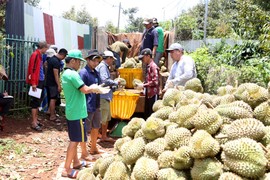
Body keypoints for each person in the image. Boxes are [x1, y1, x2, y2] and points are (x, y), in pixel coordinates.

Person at [61, 49, 101, 178]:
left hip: (74, 111)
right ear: (73, 61)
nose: (80, 64)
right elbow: (84, 89)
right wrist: (95, 88)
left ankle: (76, 162)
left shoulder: (67, 73)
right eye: (79, 61)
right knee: (74, 140)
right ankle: (66, 169)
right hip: (76, 113)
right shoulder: (72, 74)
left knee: (76, 139)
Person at [79, 49, 103, 156]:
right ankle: (83, 151)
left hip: (96, 103)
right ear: (88, 60)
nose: (96, 63)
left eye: (97, 61)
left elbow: (100, 85)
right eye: (94, 61)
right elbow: (80, 89)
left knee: (96, 126)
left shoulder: (96, 72)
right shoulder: (83, 73)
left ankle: (93, 147)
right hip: (87, 104)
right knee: (85, 129)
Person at [95, 51, 119, 142]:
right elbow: (104, 80)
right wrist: (115, 82)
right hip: (103, 96)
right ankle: (96, 137)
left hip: (106, 95)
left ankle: (103, 135)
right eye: (112, 59)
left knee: (106, 117)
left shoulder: (104, 67)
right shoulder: (102, 67)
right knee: (103, 118)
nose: (112, 61)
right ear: (108, 58)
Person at [26, 40, 49, 131]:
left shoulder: (39, 55)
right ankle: (34, 122)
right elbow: (32, 69)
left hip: (40, 81)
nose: (46, 50)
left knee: (38, 100)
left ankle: (35, 119)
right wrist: (33, 83)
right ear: (43, 47)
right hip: (36, 82)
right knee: (35, 102)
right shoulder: (35, 55)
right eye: (46, 48)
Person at [46, 48, 68, 122]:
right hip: (53, 83)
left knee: (51, 98)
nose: (64, 58)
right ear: (62, 55)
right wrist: (59, 85)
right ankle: (52, 116)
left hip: (48, 82)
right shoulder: (56, 62)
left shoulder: (51, 59)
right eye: (64, 56)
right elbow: (56, 75)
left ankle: (49, 111)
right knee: (53, 98)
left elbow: (45, 65)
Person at [138, 48, 160, 119]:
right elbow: (149, 79)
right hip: (148, 93)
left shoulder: (153, 66)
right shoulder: (149, 66)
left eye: (143, 58)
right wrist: (143, 84)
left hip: (153, 94)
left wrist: (144, 85)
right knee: (147, 113)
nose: (142, 60)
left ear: (148, 56)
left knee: (152, 114)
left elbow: (155, 81)